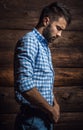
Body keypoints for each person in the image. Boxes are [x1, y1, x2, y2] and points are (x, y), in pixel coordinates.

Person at [14, 2, 71, 130]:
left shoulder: (44, 46)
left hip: (44, 118)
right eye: (58, 28)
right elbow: (24, 84)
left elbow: (43, 83)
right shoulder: (29, 41)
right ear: (46, 21)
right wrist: (51, 110)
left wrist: (55, 104)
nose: (59, 34)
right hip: (32, 120)